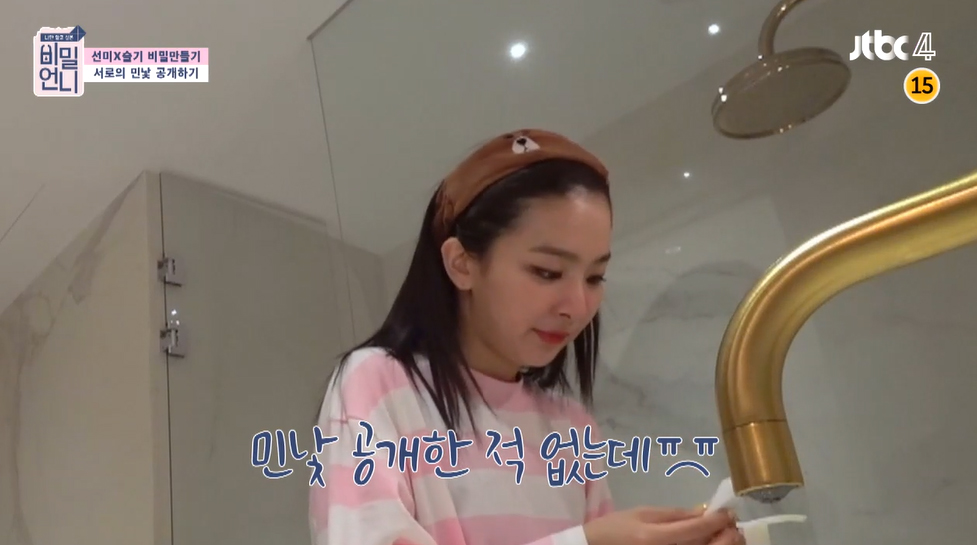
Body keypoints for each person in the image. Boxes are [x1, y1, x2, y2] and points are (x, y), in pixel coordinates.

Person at [309, 129, 744, 545]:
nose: (577, 306)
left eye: (595, 277)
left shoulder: (572, 426)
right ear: (461, 264)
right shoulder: (379, 383)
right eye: (547, 272)